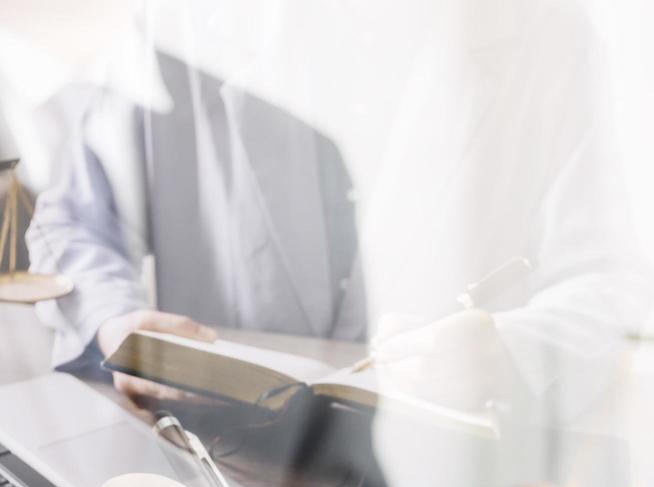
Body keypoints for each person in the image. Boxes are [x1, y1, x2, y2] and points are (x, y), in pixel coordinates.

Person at [27, 0, 651, 416]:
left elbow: (609, 281)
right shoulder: (183, 19)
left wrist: (514, 350)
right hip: (213, 467)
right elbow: (76, 220)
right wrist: (114, 318)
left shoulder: (549, 35)